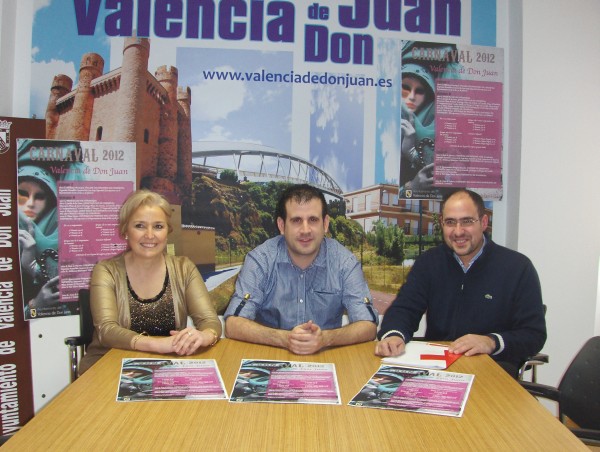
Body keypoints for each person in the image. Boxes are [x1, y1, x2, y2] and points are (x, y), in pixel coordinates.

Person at [376, 189, 547, 377]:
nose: (458, 231)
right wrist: (394, 334)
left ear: (483, 223)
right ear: (442, 224)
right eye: (450, 222)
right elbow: (404, 309)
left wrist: (491, 342)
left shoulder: (517, 267)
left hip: (493, 371)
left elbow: (533, 334)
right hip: (438, 369)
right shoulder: (429, 263)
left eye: (467, 221)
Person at [79, 190, 222, 374]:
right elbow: (106, 330)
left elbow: (210, 321)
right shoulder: (106, 270)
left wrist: (205, 336)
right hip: (109, 368)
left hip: (166, 369)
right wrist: (159, 344)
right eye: (140, 226)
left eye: (158, 226)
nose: (149, 235)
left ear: (167, 232)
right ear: (125, 231)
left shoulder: (184, 268)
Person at [224, 184, 378, 354]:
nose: (305, 230)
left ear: (325, 224)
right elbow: (233, 325)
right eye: (296, 220)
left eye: (313, 220)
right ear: (282, 226)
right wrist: (285, 339)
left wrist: (325, 339)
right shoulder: (260, 260)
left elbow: (368, 326)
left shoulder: (345, 263)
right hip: (269, 355)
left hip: (326, 358)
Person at [17, 165, 61, 315]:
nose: (30, 203)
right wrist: (35, 306)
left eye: (40, 196)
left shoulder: (55, 239)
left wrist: (32, 267)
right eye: (22, 193)